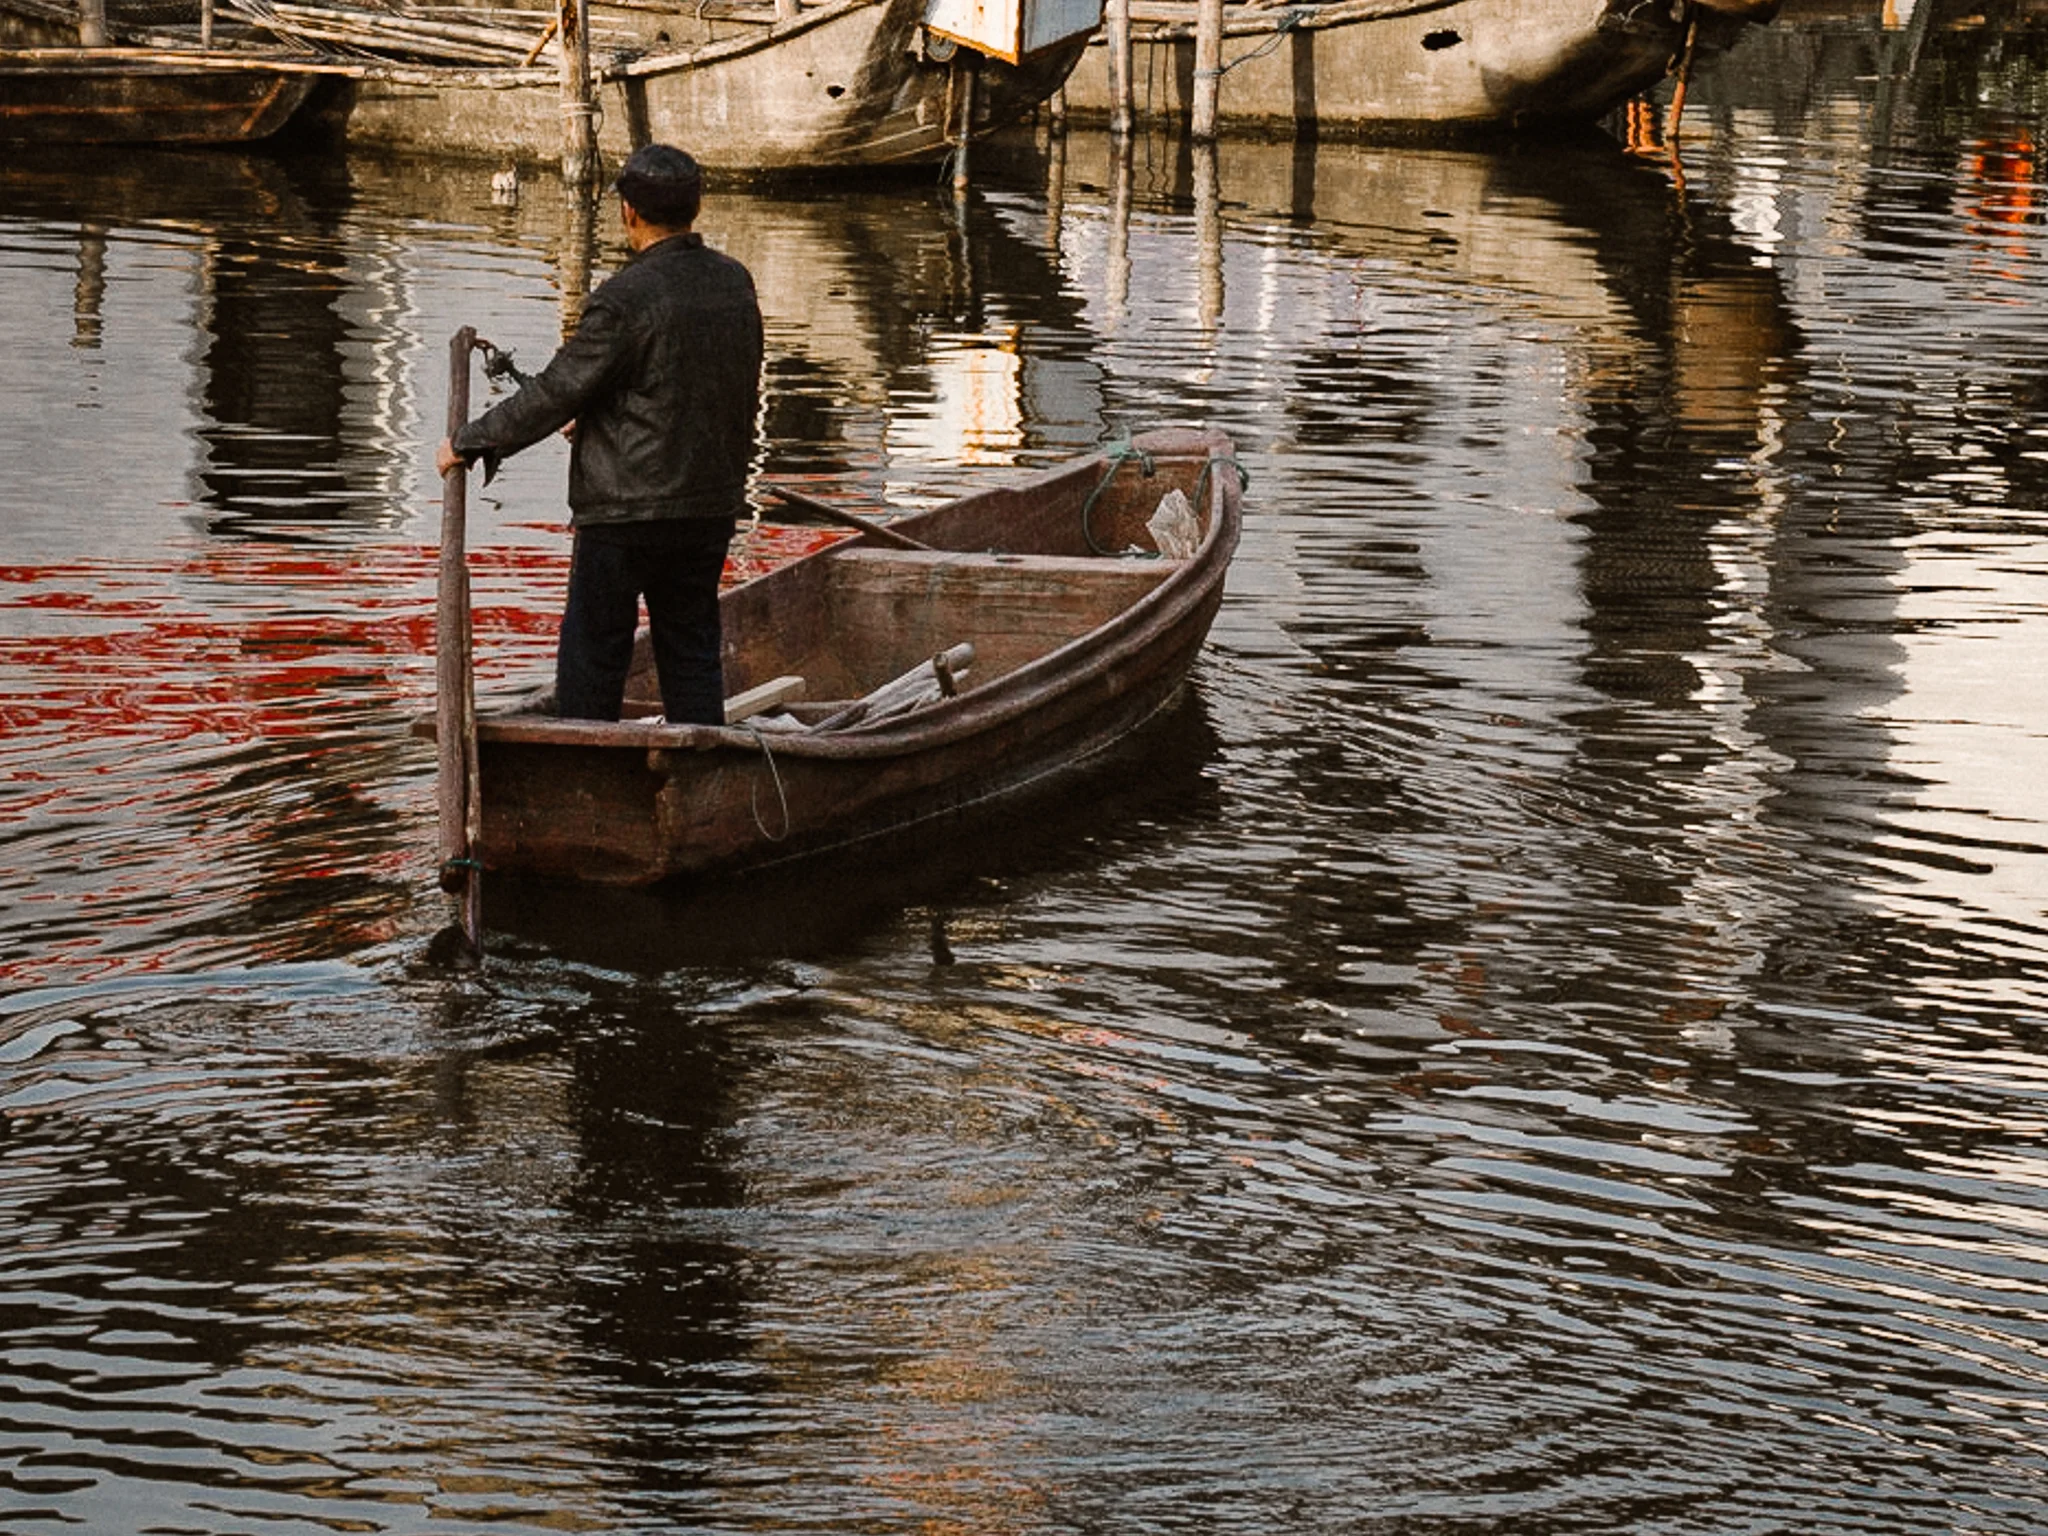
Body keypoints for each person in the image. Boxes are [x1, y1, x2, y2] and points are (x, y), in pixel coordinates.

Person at [436, 144, 763, 725]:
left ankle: (587, 782)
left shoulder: (622, 298)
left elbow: (556, 391)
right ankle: (700, 781)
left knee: (593, 658)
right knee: (690, 654)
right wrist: (600, 418)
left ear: (628, 212)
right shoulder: (734, 283)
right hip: (707, 508)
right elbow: (700, 390)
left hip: (625, 514)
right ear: (694, 208)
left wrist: (471, 440)